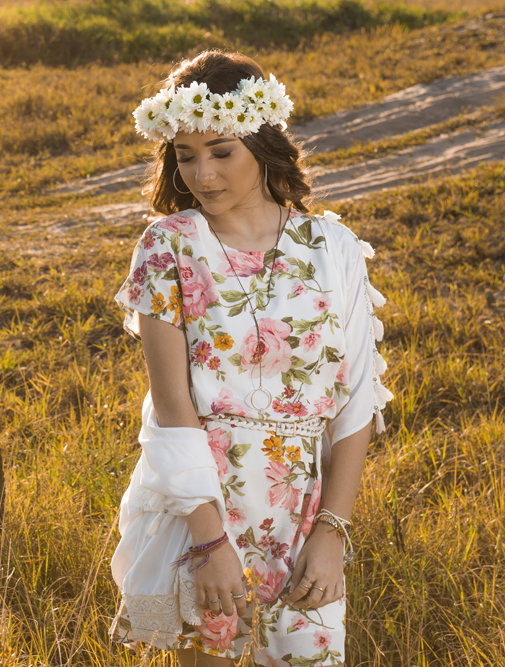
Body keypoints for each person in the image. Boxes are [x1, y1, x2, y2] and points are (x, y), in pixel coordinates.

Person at [108, 50, 393, 666]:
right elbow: (171, 404)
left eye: (220, 151)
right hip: (200, 511)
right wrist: (209, 542)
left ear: (262, 142)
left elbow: (355, 403)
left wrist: (332, 533)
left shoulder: (333, 248)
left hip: (303, 515)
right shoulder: (167, 247)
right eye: (185, 157)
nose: (202, 176)